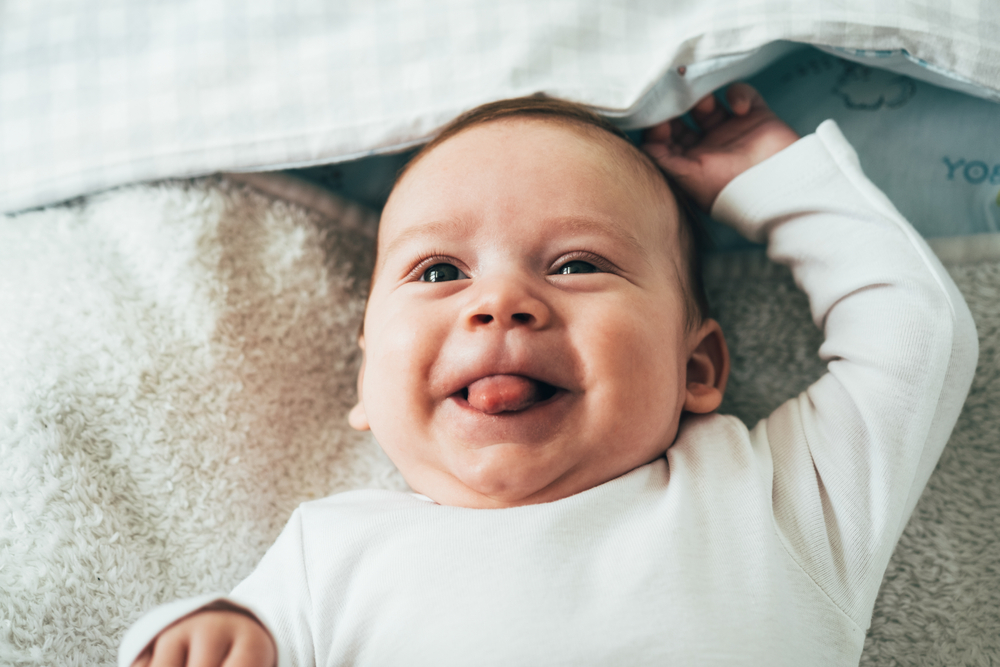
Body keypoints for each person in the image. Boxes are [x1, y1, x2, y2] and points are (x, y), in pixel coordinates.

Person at [120, 84, 978, 667]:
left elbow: (913, 332)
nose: (500, 302)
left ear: (697, 365)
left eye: (574, 264)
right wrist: (203, 630)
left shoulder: (773, 499)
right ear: (364, 383)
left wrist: (770, 181)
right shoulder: (328, 554)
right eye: (437, 272)